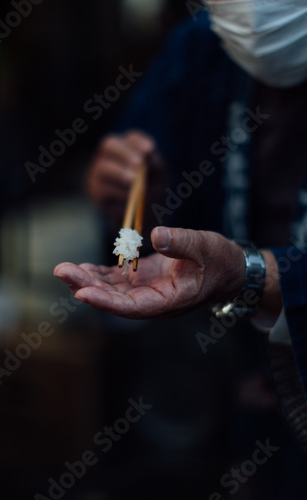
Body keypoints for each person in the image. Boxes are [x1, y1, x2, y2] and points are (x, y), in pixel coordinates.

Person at [54, 1, 307, 452]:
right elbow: (141, 218)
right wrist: (137, 197)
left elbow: (235, 269)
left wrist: (250, 274)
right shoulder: (202, 47)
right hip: (235, 398)